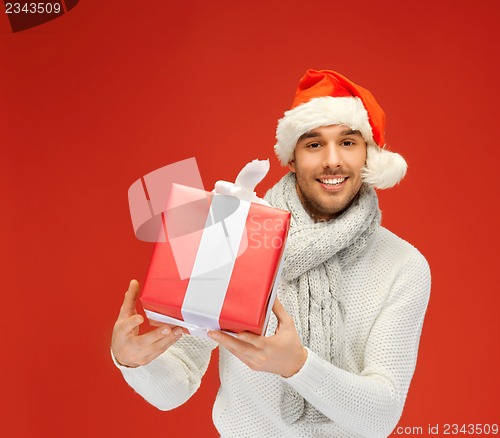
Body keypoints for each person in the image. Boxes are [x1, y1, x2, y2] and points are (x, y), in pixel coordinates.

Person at [111, 69, 431, 437]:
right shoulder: (234, 232)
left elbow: (380, 417)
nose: (332, 161)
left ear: (369, 157)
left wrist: (298, 366)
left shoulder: (403, 265)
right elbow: (177, 380)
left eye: (347, 143)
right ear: (292, 159)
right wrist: (133, 361)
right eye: (313, 144)